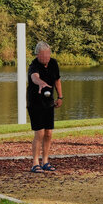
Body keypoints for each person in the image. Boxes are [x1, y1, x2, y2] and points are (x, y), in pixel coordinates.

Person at [27, 41, 62, 172]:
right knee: (39, 133)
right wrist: (41, 83)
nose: (46, 57)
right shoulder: (34, 65)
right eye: (44, 55)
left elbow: (57, 80)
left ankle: (45, 161)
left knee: (48, 133)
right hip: (35, 103)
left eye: (48, 54)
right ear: (37, 55)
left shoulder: (53, 63)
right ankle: (35, 163)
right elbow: (34, 77)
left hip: (48, 103)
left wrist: (60, 97)